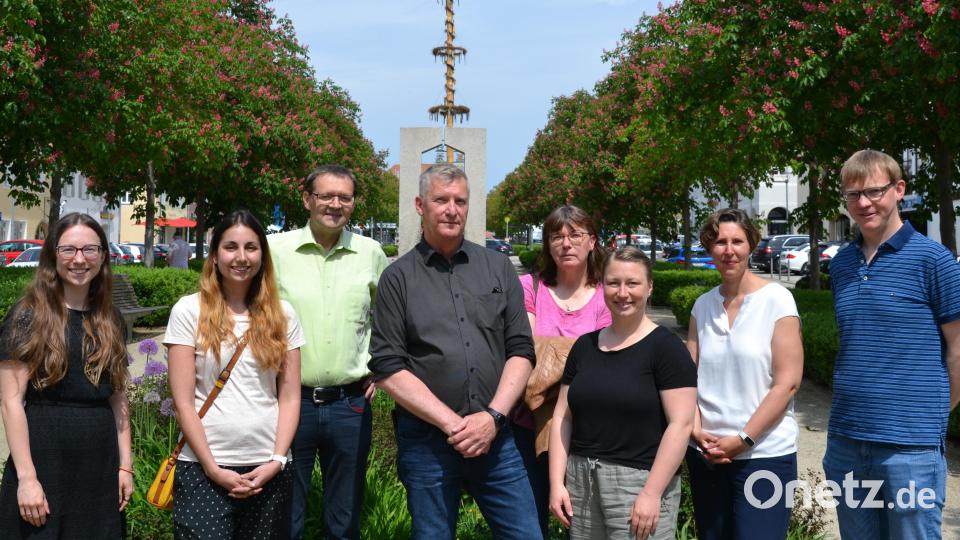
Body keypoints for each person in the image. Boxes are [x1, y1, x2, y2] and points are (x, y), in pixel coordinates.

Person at [369, 163, 541, 539]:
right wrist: (455, 425)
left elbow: (521, 349)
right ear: (420, 204)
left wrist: (491, 419)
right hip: (428, 443)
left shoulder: (497, 268)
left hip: (497, 439)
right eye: (441, 200)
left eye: (460, 201)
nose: (451, 209)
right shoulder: (397, 278)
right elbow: (386, 366)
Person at [823, 149, 960, 538]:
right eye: (853, 195)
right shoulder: (842, 265)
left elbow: (958, 351)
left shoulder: (934, 261)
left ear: (899, 190)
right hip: (847, 441)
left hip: (910, 450)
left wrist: (929, 413)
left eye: (874, 191)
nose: (864, 203)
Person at [165, 209, 304, 539]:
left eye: (251, 247)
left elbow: (290, 395)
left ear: (262, 255)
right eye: (231, 247)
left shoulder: (283, 314)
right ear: (214, 256)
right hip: (202, 468)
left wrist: (276, 460)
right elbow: (184, 402)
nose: (241, 257)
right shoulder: (188, 311)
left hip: (266, 469)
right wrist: (213, 469)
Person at [268, 164, 387, 540]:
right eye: (326, 196)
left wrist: (381, 368)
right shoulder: (275, 251)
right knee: (285, 514)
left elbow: (388, 319)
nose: (335, 204)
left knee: (345, 517)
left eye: (345, 197)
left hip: (350, 404)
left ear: (353, 204)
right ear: (307, 199)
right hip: (288, 402)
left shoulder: (370, 253)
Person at [548, 246, 697, 540]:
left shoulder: (666, 349)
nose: (623, 292)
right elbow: (562, 417)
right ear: (603, 286)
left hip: (639, 484)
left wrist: (652, 493)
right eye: (614, 283)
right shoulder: (585, 346)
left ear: (650, 287)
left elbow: (681, 425)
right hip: (582, 482)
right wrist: (557, 483)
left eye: (633, 283)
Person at [0, 212, 132, 539]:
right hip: (44, 463)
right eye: (68, 250)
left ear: (102, 256)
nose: (79, 259)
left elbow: (118, 398)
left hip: (99, 468)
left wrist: (125, 465)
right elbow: (10, 402)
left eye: (90, 250)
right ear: (53, 256)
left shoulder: (110, 318)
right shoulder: (27, 315)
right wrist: (27, 479)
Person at [685, 208, 803, 539]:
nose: (729, 249)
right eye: (720, 241)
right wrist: (694, 430)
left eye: (737, 241)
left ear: (750, 244)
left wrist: (743, 439)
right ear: (709, 248)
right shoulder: (702, 306)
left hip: (764, 456)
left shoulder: (777, 300)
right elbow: (687, 379)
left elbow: (787, 383)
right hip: (707, 455)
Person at [516, 204, 611, 536]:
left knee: (583, 528)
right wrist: (578, 353)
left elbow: (607, 360)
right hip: (528, 427)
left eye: (575, 235)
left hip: (587, 431)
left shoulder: (608, 293)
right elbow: (526, 354)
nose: (566, 243)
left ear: (592, 242)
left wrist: (552, 353)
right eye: (557, 236)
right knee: (529, 527)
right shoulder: (530, 287)